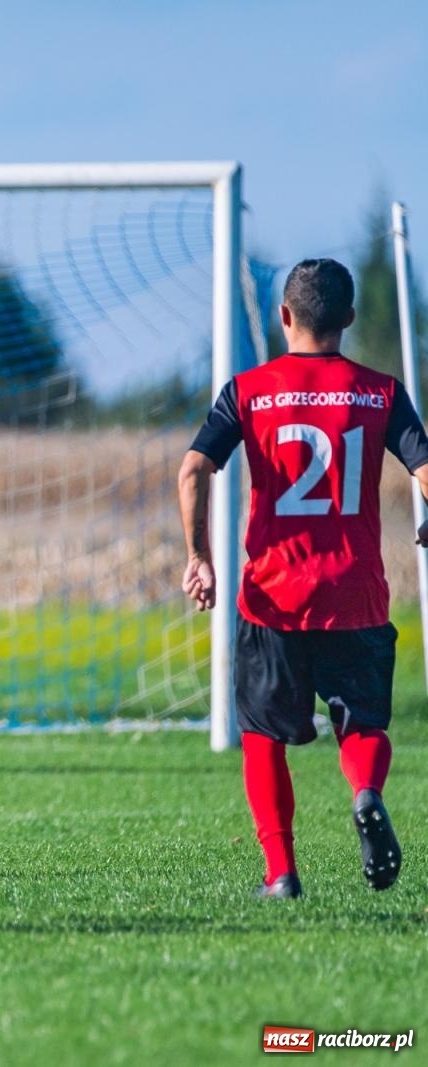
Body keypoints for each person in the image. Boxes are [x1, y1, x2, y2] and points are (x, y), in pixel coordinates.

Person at [178, 257, 428, 899]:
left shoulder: (249, 390)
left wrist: (198, 555)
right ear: (347, 319)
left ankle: (281, 873)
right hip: (357, 593)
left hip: (273, 598)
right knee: (363, 724)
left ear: (284, 316)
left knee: (263, 734)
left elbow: (193, 470)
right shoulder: (380, 391)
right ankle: (366, 791)